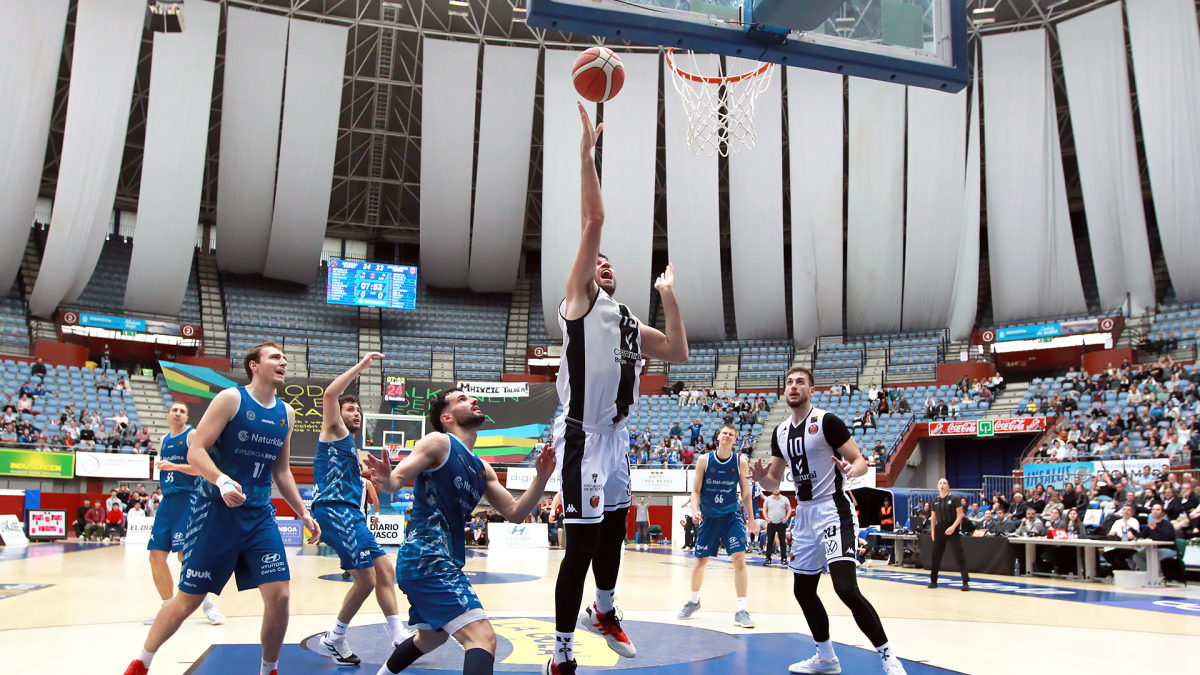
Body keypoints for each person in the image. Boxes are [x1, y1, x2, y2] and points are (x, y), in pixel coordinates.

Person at [545, 104, 689, 675]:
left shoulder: (627, 318)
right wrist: (586, 154)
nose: (602, 264)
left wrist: (670, 295)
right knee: (578, 547)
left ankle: (603, 611)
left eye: (607, 264)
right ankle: (560, 654)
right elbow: (593, 222)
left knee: (615, 533)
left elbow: (676, 351)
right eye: (594, 263)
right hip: (581, 435)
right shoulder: (577, 305)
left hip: (618, 436)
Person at [124, 342, 321, 675]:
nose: (283, 361)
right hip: (216, 512)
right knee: (188, 600)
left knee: (281, 597)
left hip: (259, 515)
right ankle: (140, 663)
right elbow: (196, 451)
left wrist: (303, 511)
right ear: (254, 366)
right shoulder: (231, 398)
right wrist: (222, 481)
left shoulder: (286, 413)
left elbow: (282, 470)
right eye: (275, 357)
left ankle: (268, 670)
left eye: (284, 358)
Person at [365, 390, 556, 675]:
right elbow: (397, 480)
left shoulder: (483, 469)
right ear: (447, 417)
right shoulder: (439, 442)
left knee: (431, 637)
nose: (473, 400)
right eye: (462, 399)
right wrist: (386, 480)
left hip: (436, 562)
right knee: (482, 638)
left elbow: (515, 513)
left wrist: (541, 478)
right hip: (428, 558)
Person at [751, 367, 907, 675]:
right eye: (789, 383)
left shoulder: (827, 422)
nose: (793, 387)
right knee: (803, 590)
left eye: (800, 382)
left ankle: (888, 656)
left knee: (845, 588)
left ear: (811, 389)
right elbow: (774, 481)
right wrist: (761, 480)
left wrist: (853, 470)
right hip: (805, 514)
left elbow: (860, 460)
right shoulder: (780, 432)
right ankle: (826, 658)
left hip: (834, 509)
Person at [310, 353, 405, 664]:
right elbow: (329, 394)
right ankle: (334, 637)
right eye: (350, 408)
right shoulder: (333, 429)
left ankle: (398, 635)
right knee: (365, 579)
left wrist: (369, 476)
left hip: (352, 513)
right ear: (338, 413)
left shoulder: (351, 446)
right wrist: (362, 367)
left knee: (385, 570)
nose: (356, 413)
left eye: (358, 410)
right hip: (334, 510)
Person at [142, 402, 223, 626]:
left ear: (186, 416)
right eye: (174, 410)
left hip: (188, 499)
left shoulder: (192, 435)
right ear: (167, 415)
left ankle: (208, 607)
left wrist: (176, 467)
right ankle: (167, 607)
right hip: (167, 501)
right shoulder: (163, 440)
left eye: (182, 411)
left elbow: (203, 469)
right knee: (155, 556)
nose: (178, 414)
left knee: (184, 555)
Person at [676, 424, 756, 629]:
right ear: (718, 437)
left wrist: (751, 518)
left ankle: (741, 610)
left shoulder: (740, 461)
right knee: (700, 563)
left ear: (735, 440)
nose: (727, 436)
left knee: (739, 561)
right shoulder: (704, 460)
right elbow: (695, 490)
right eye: (724, 433)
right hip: (709, 517)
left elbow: (746, 494)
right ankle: (694, 601)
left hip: (731, 515)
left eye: (731, 434)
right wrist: (695, 510)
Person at [927, 479, 969, 591]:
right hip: (940, 528)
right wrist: (933, 531)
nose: (942, 485)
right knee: (936, 555)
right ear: (937, 486)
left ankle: (965, 582)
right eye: (940, 483)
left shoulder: (954, 498)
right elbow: (933, 518)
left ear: (948, 486)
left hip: (952, 527)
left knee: (958, 554)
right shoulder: (935, 500)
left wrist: (953, 527)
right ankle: (933, 581)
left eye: (944, 483)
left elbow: (960, 515)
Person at [762, 488, 791, 566]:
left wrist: (786, 518)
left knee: (782, 541)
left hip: (781, 523)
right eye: (774, 489)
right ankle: (768, 558)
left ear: (779, 489)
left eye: (777, 488)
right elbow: (764, 509)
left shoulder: (785, 499)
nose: (775, 490)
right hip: (771, 523)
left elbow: (789, 509)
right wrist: (766, 518)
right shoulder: (768, 499)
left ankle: (784, 558)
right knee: (770, 541)